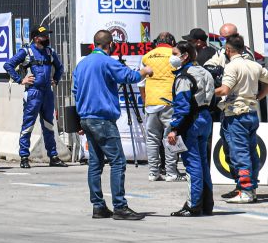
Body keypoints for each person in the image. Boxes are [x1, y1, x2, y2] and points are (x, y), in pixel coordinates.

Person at [72, 29, 154, 221]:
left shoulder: (81, 64)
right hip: (103, 119)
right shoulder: (107, 62)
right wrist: (145, 71)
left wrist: (80, 119)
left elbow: (75, 91)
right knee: (118, 162)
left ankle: (98, 206)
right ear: (110, 45)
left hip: (87, 118)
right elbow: (130, 77)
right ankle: (120, 206)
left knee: (95, 163)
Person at [214, 34, 268, 204]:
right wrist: (260, 96)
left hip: (235, 115)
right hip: (252, 113)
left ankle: (244, 190)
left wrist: (207, 91)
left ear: (228, 50)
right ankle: (250, 189)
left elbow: (224, 90)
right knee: (251, 152)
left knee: (239, 153)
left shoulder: (231, 66)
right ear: (244, 48)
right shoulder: (254, 64)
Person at [4, 24, 66, 168]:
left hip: (47, 93)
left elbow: (60, 67)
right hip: (33, 93)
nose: (46, 38)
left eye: (47, 36)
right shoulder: (26, 52)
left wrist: (55, 79)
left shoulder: (50, 52)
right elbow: (8, 65)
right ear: (36, 38)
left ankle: (53, 156)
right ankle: (24, 156)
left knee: (49, 125)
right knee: (28, 125)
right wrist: (20, 80)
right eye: (44, 36)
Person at [167, 41, 215, 216]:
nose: (171, 57)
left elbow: (182, 107)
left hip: (191, 121)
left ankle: (193, 205)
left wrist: (174, 129)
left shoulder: (183, 77)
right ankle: (207, 204)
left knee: (192, 165)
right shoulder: (205, 71)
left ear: (185, 55)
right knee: (202, 163)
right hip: (205, 118)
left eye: (174, 53)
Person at [141, 32, 182, 182]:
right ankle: (171, 172)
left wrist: (146, 100)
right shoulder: (174, 55)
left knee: (152, 139)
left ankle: (153, 172)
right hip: (169, 101)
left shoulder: (146, 57)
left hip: (151, 102)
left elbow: (141, 82)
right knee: (171, 137)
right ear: (172, 41)